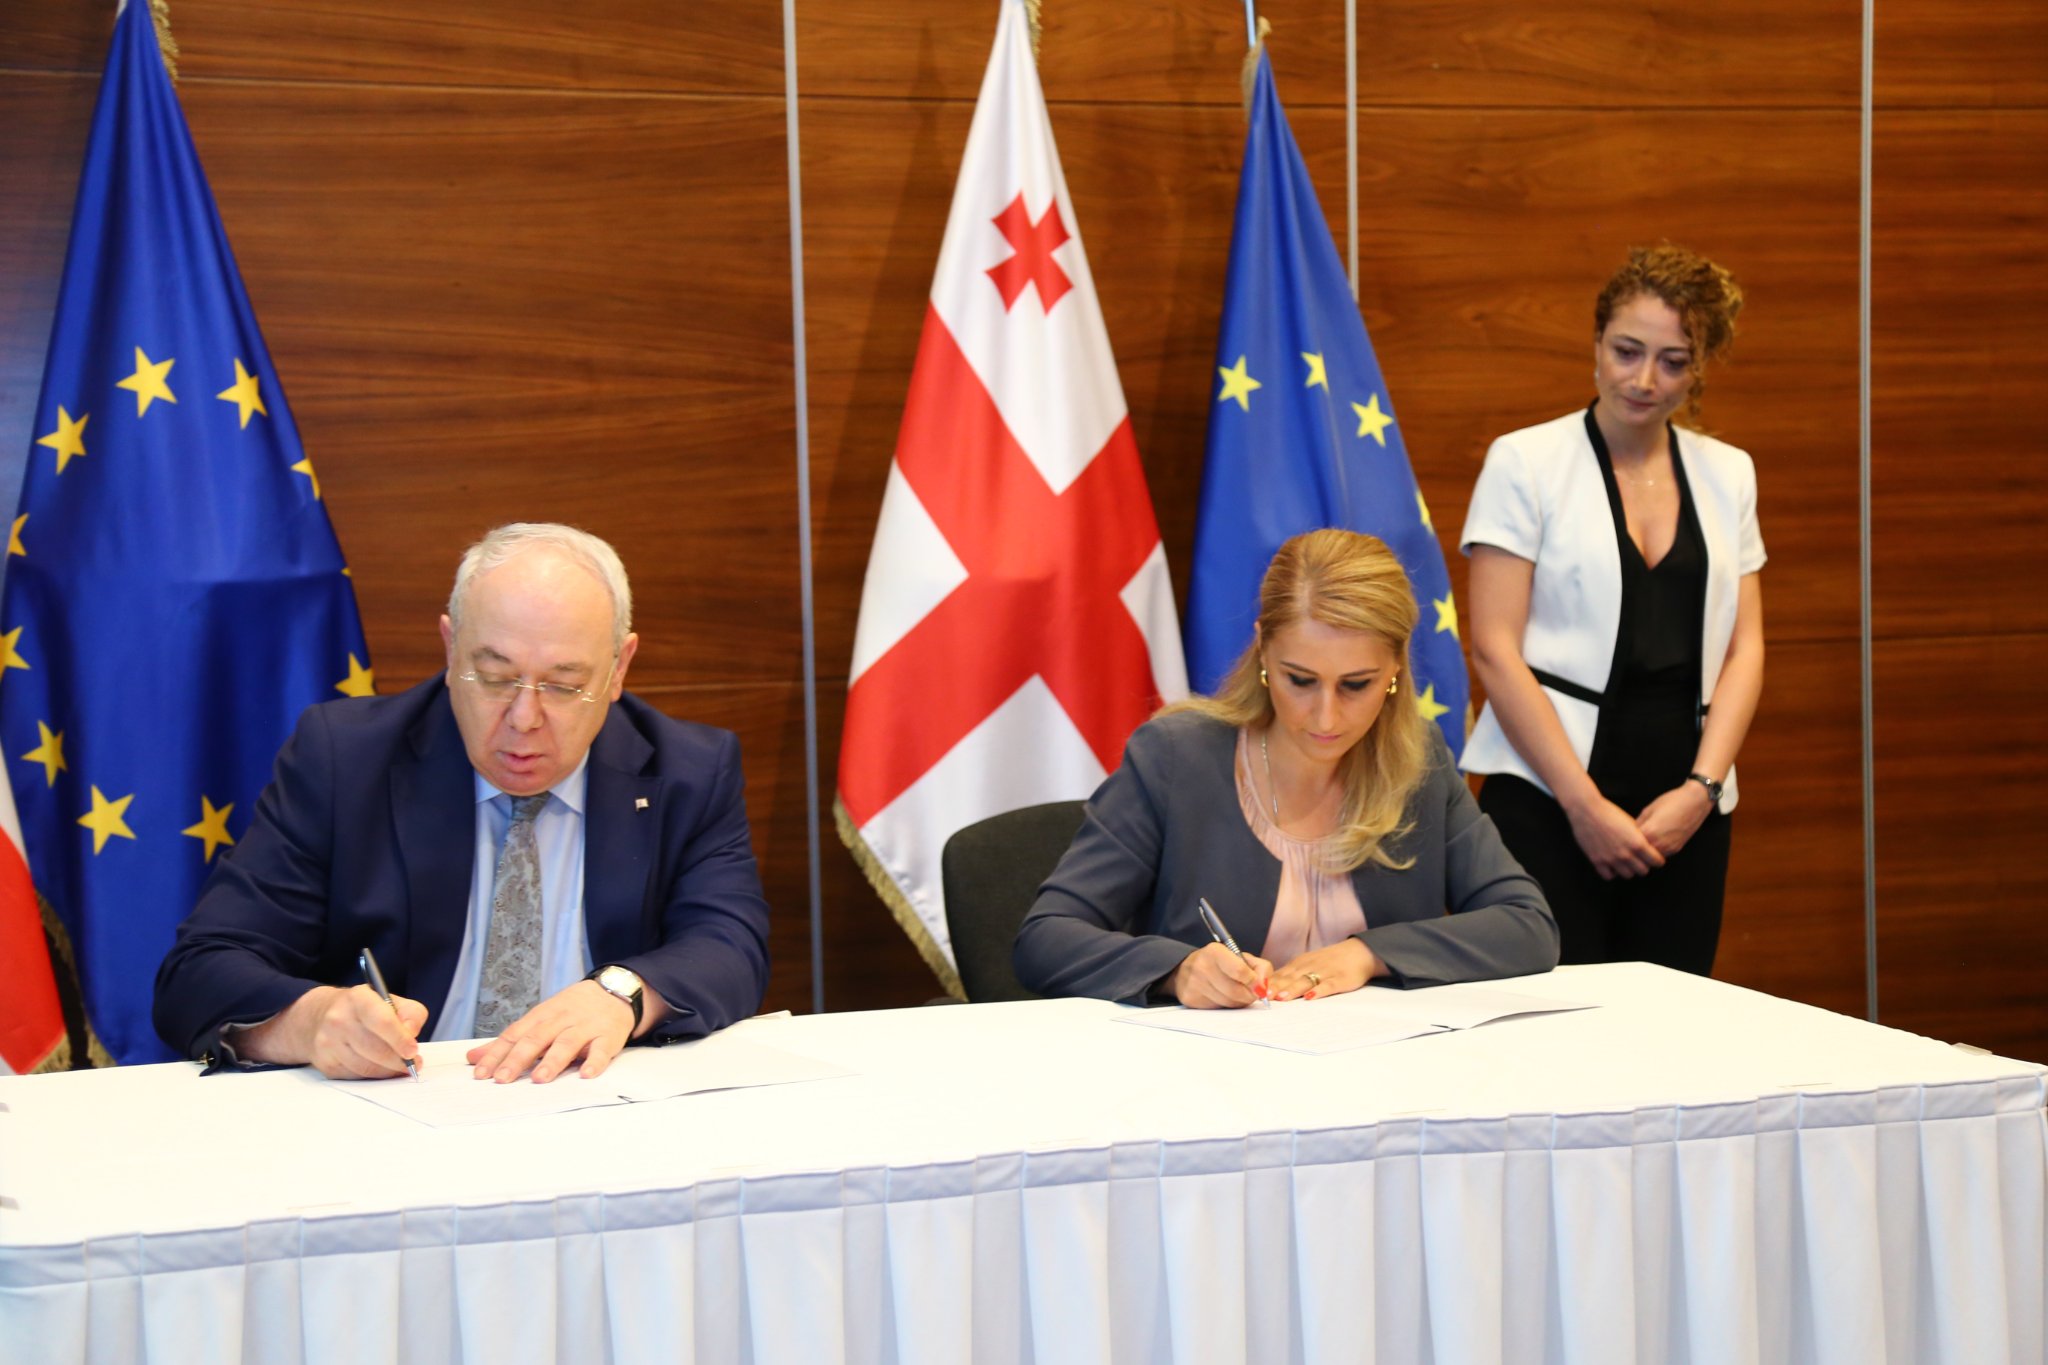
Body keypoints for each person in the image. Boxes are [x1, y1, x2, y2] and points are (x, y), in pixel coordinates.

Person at [154, 523, 771, 1081]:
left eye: (564, 685)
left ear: (618, 670)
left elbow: (731, 946)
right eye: (495, 677)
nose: (524, 718)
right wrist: (312, 1021)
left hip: (597, 1101)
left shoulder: (687, 771)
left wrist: (623, 993)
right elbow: (199, 972)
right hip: (401, 1107)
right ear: (451, 650)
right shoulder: (345, 760)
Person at [1013, 529, 1557, 1007]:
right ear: (1262, 650)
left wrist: (1367, 954)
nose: (1326, 717)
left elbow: (1528, 924)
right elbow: (1046, 938)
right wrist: (1177, 972)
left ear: (1395, 666)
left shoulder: (1419, 759)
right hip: (1206, 1074)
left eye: (1356, 685)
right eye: (1301, 680)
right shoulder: (1176, 757)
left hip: (1377, 1069)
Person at [1460, 244, 1764, 975]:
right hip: (1546, 793)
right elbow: (1494, 648)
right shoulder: (1525, 461)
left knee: (1675, 1021)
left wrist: (1702, 790)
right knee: (1551, 1019)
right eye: (1627, 351)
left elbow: (1745, 648)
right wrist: (1583, 805)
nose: (1644, 379)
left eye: (1673, 361)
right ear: (1596, 342)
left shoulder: (1729, 472)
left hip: (1684, 807)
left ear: (1699, 368)